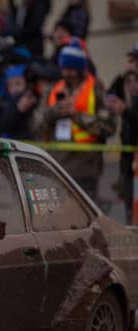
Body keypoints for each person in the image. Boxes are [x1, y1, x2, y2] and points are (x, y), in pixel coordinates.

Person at [32, 40, 116, 204]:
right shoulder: (53, 89)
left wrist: (76, 115)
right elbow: (36, 125)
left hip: (85, 169)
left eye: (71, 69)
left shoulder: (97, 89)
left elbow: (110, 126)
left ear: (80, 68)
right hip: (56, 168)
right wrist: (54, 112)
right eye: (64, 68)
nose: (67, 73)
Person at [107, 43, 138, 221]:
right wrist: (121, 76)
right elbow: (109, 93)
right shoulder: (127, 86)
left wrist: (125, 110)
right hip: (128, 160)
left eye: (135, 60)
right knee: (130, 213)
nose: (131, 64)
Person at [0, 63, 38, 138]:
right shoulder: (4, 101)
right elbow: (3, 125)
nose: (14, 88)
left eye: (18, 83)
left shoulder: (32, 99)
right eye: (10, 85)